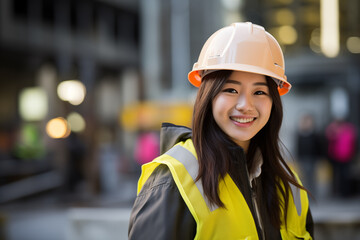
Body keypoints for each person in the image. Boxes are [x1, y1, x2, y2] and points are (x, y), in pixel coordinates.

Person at [128, 22, 314, 240]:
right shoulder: (173, 179)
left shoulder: (289, 186)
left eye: (260, 92)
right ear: (209, 96)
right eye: (231, 89)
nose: (246, 104)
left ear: (274, 101)